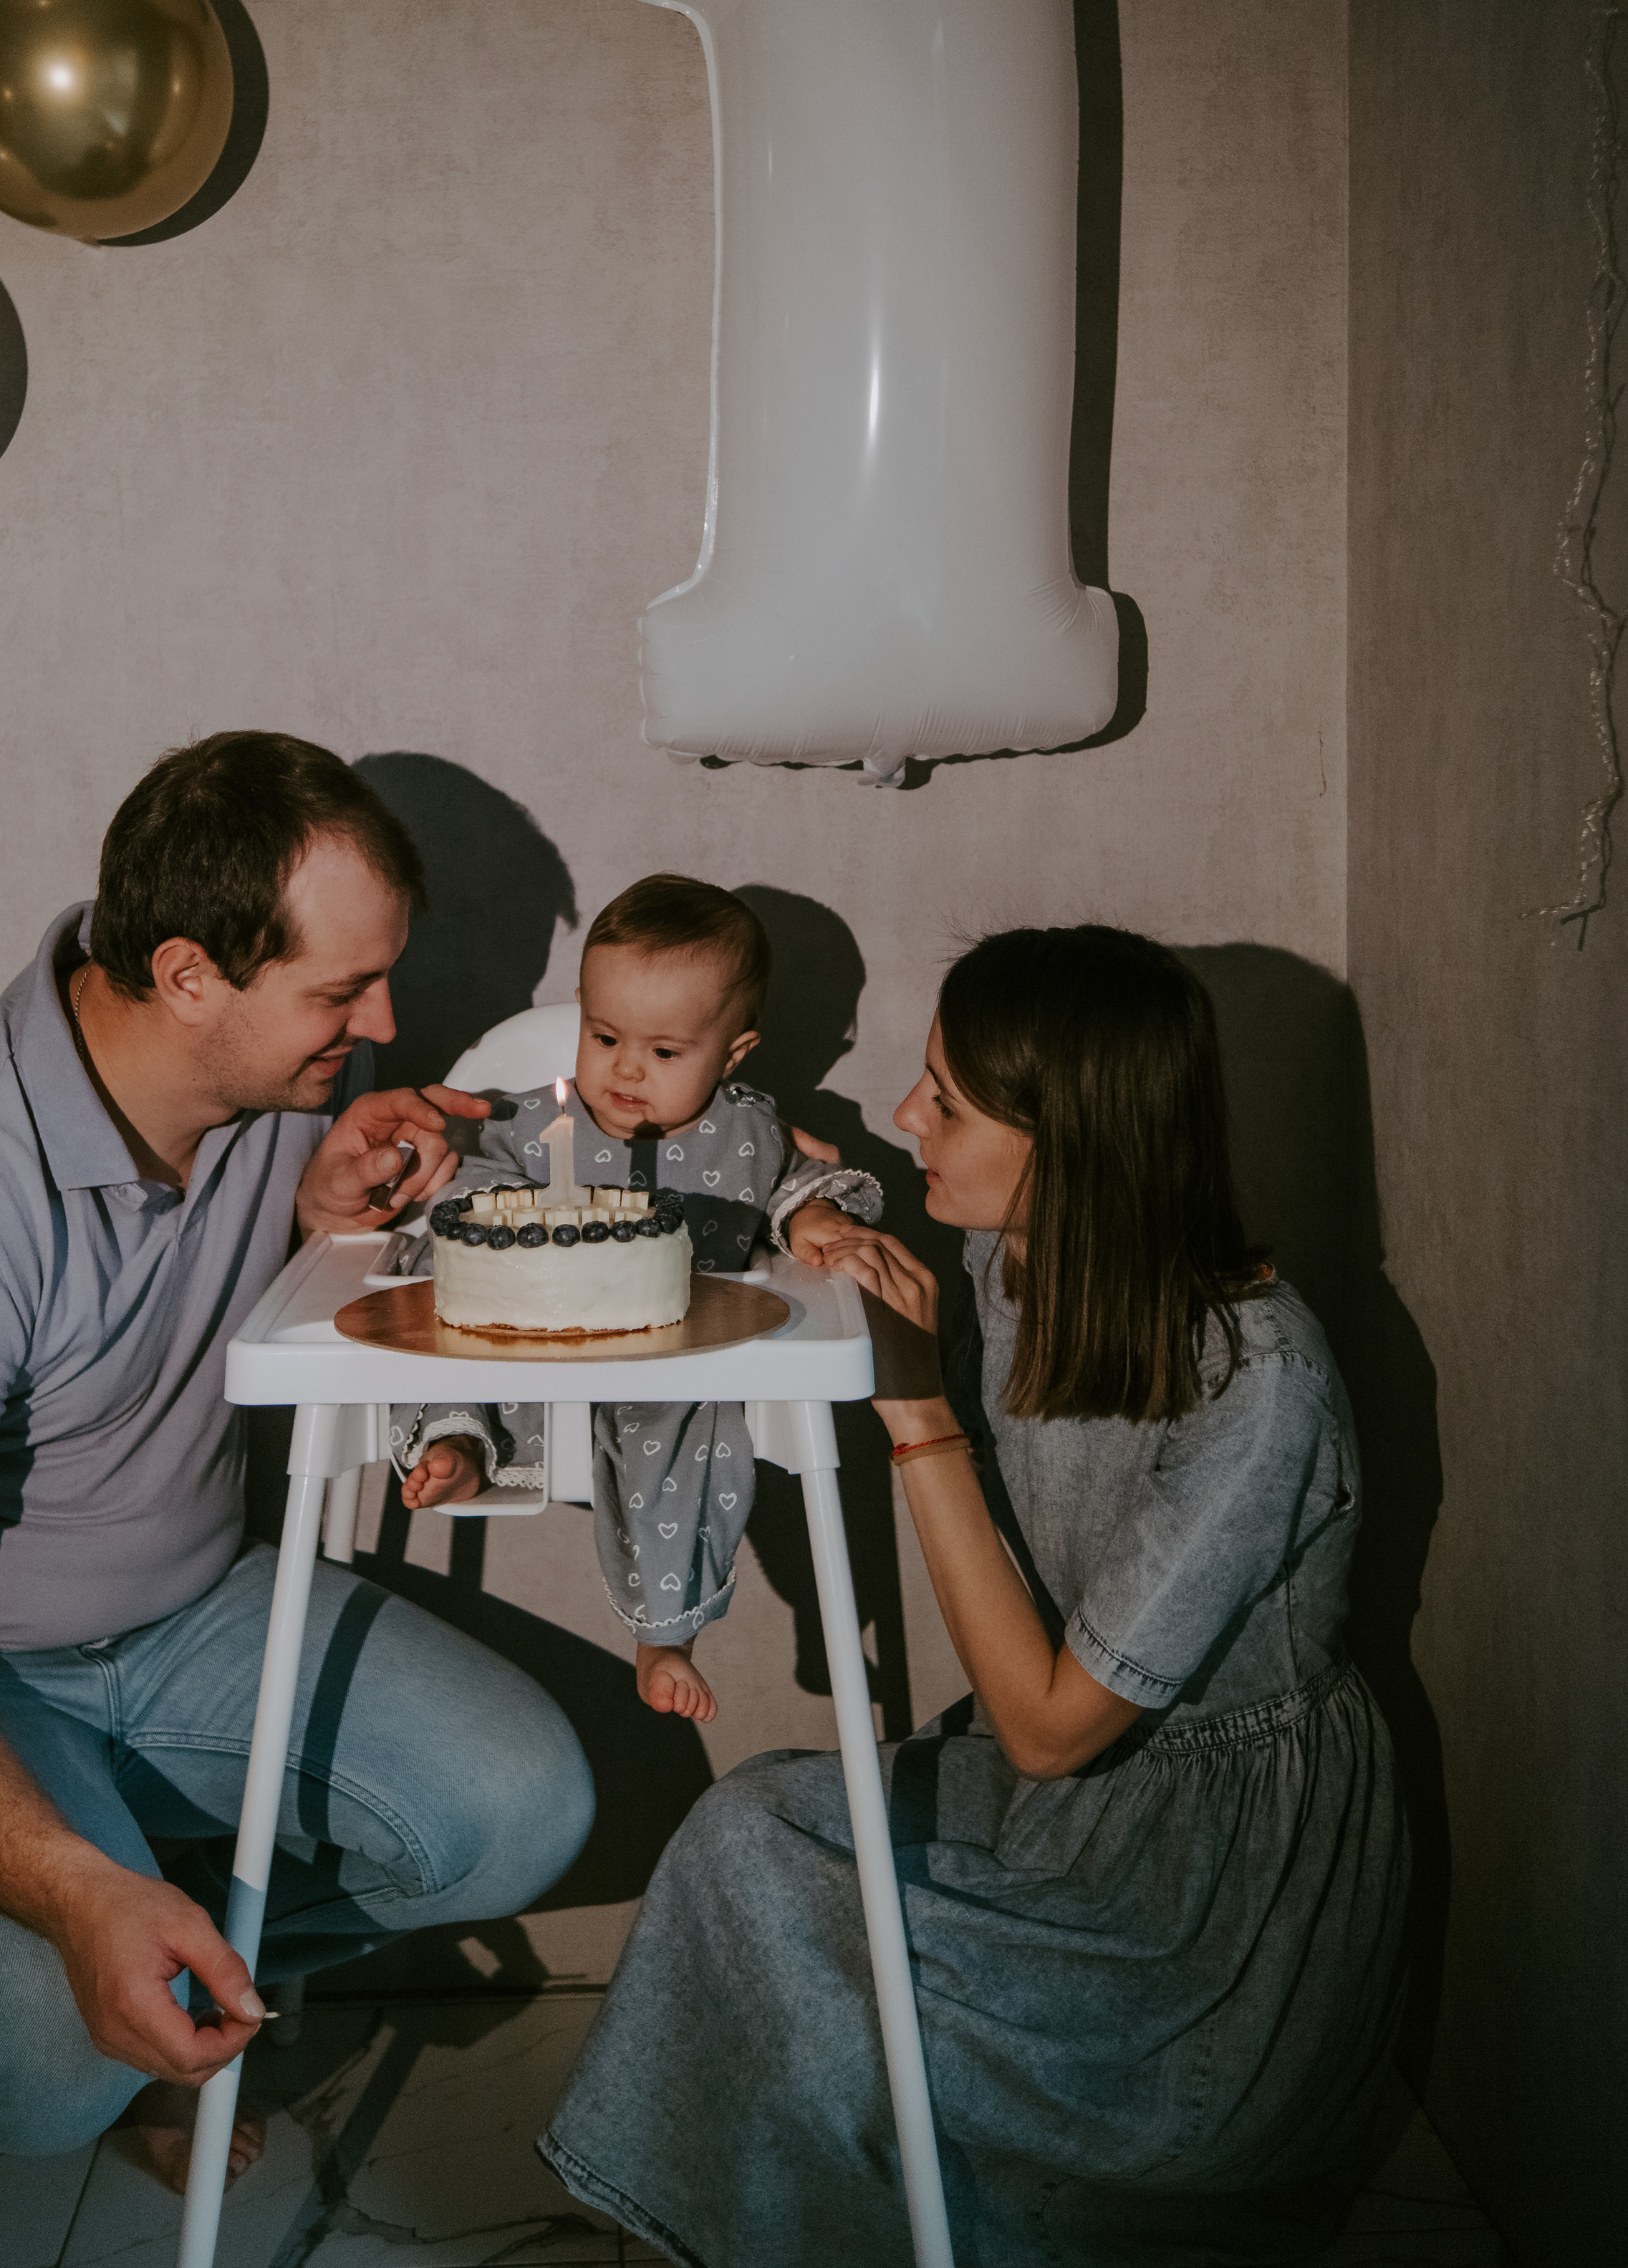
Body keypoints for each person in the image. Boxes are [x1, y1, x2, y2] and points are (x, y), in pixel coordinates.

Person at [0, 733, 594, 2268]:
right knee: (43, 2064)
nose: (376, 1022)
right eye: (339, 993)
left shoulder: (298, 1080)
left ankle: (173, 1999)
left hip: (190, 1611)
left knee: (518, 1811)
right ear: (184, 974)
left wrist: (323, 1223)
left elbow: (276, 1278)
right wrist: (70, 1890)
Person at [540, 926, 1411, 2267]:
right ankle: (700, 2232)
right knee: (745, 1828)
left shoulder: (1258, 1380)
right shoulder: (1018, 1266)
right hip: (1065, 1810)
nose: (903, 1118)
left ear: (1074, 1139)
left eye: (947, 1098)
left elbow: (1056, 1727)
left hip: (1206, 1920)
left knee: (817, 1972)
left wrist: (918, 1411)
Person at [394, 874, 883, 1722]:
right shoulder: (539, 1120)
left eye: (664, 1053)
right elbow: (462, 1172)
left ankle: (666, 1634)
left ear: (731, 1054)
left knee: (689, 1435)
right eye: (604, 1035)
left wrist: (811, 1219)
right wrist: (465, 1194)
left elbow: (802, 1184)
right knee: (449, 1307)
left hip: (673, 1354)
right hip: (533, 1331)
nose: (625, 1069)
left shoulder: (746, 1133)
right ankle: (459, 1443)